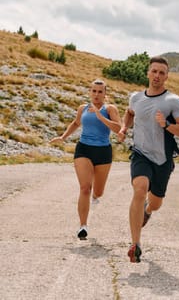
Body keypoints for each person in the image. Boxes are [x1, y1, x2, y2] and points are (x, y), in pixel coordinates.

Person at [118, 56, 179, 263]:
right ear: (148, 73)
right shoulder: (136, 97)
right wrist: (124, 127)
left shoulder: (173, 101)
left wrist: (166, 125)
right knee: (139, 188)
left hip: (163, 159)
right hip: (140, 154)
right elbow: (130, 113)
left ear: (166, 77)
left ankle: (148, 210)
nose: (157, 76)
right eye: (154, 71)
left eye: (161, 73)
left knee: (156, 203)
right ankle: (135, 244)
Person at [50, 79, 121, 240]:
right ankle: (83, 226)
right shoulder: (83, 108)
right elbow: (76, 123)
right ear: (90, 92)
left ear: (105, 94)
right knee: (85, 188)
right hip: (84, 149)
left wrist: (101, 117)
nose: (96, 94)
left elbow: (119, 129)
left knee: (98, 191)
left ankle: (96, 198)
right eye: (94, 91)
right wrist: (63, 137)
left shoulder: (110, 109)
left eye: (100, 92)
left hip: (103, 152)